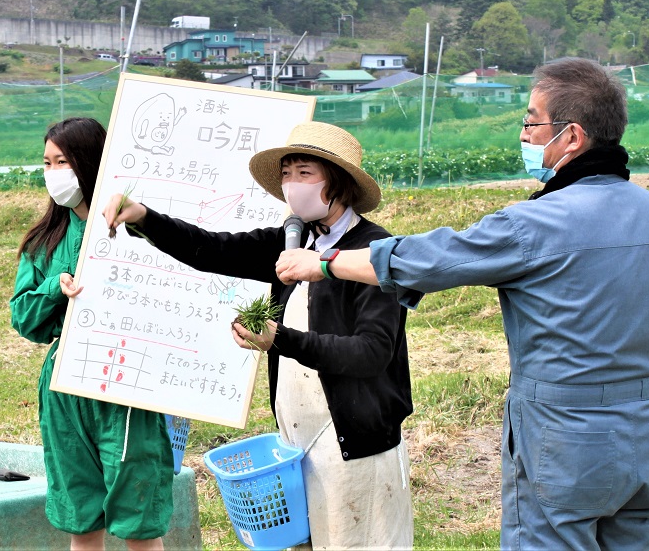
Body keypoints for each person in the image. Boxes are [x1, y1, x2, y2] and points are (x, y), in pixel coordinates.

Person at [275, 59, 649, 550]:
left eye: (532, 121)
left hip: (563, 443)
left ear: (571, 137)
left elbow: (428, 259)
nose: (525, 133)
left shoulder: (532, 224)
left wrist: (323, 264)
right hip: (647, 439)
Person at [98, 121, 414, 549]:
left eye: (306, 173)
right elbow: (210, 248)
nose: (292, 185)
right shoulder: (292, 240)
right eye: (286, 174)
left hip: (358, 442)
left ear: (338, 183)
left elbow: (371, 353)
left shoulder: (375, 253)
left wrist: (280, 339)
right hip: (297, 435)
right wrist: (145, 218)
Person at [10, 117, 173, 551]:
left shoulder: (139, 229)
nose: (53, 172)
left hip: (124, 381)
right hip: (65, 384)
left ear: (89, 161)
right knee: (80, 516)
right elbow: (24, 318)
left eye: (62, 161)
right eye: (46, 162)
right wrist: (56, 284)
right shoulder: (44, 241)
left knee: (138, 516)